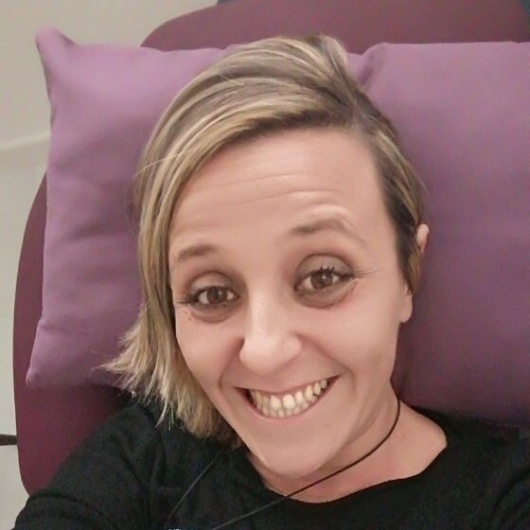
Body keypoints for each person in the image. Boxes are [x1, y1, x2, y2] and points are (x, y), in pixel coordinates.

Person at [14, 35, 529, 530]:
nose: (264, 352)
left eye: (323, 276)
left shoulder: (505, 497)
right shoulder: (142, 460)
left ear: (408, 274)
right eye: (213, 294)